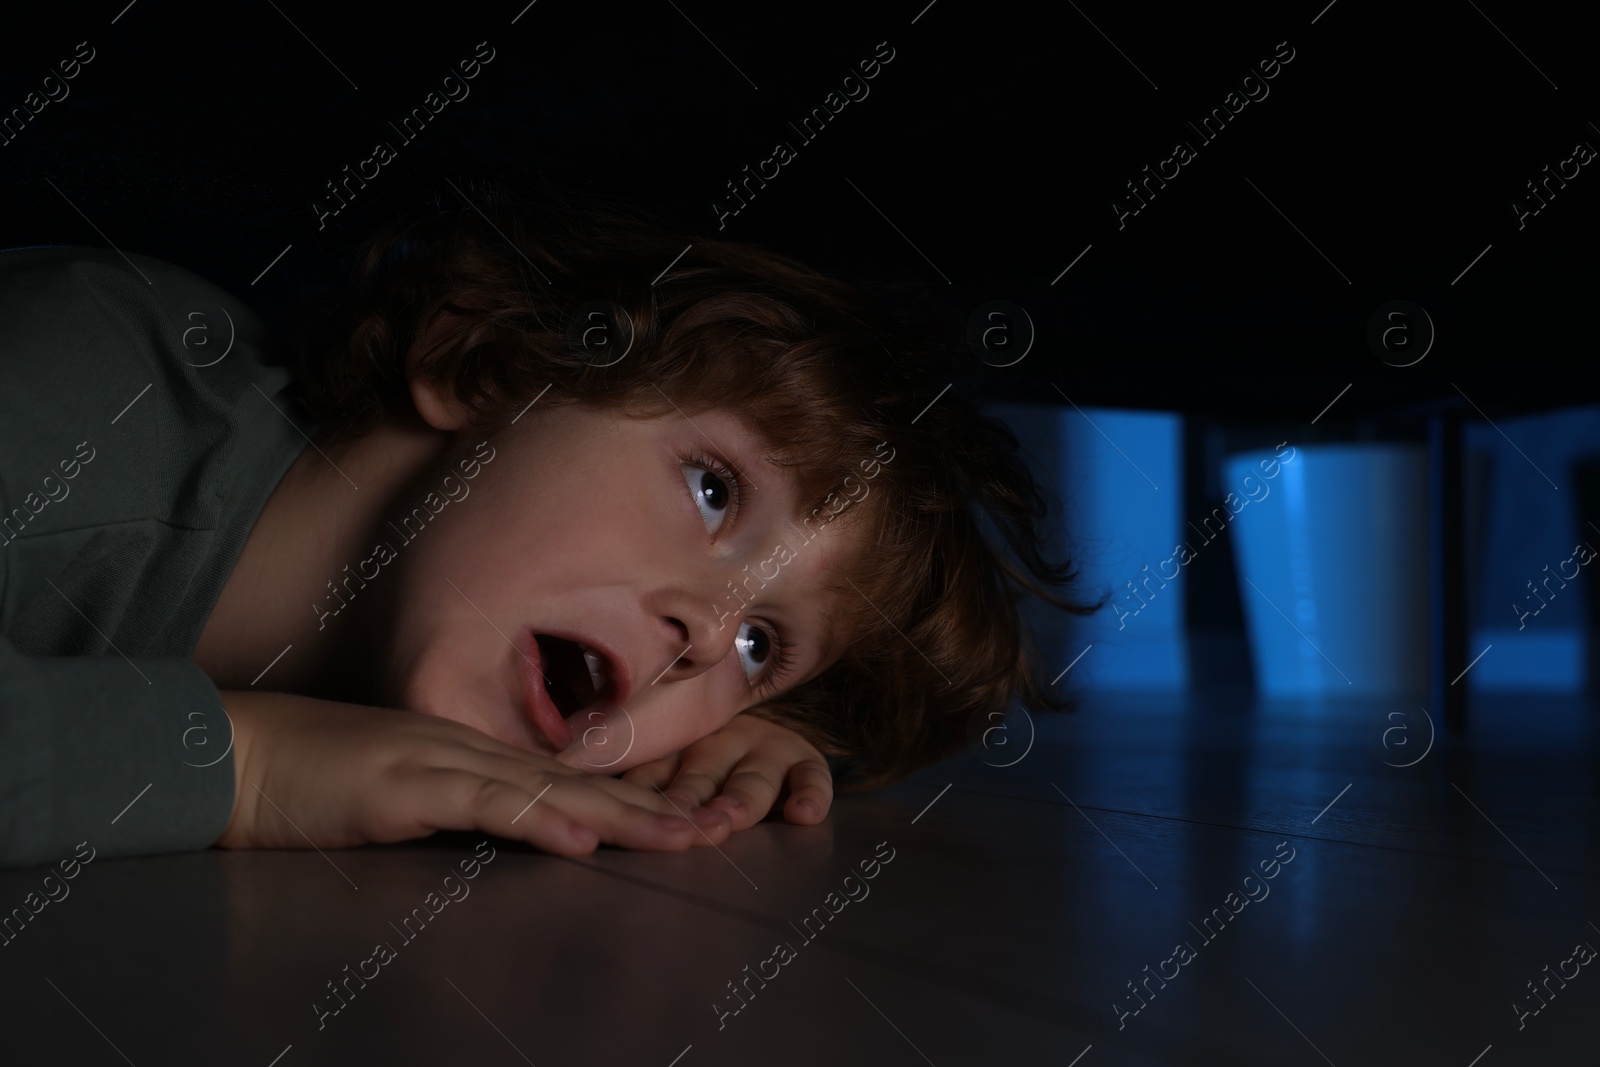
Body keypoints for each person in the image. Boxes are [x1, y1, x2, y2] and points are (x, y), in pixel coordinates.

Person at [0, 184, 1093, 869]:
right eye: (713, 489)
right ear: (478, 358)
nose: (710, 638)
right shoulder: (83, 389)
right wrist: (244, 762)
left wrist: (734, 746)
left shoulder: (543, 642)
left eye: (764, 645)